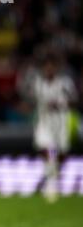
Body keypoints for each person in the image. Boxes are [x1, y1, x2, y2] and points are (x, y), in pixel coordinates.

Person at [23, 53, 77, 203]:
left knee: (62, 152)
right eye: (47, 67)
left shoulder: (65, 83)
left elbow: (75, 100)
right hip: (44, 121)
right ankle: (50, 179)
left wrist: (61, 104)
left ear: (56, 68)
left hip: (61, 121)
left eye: (52, 66)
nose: (49, 69)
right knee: (43, 146)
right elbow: (30, 98)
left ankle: (53, 173)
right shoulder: (38, 83)